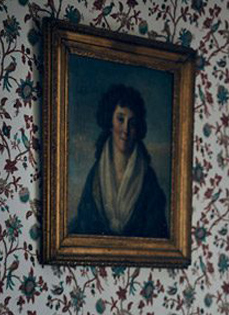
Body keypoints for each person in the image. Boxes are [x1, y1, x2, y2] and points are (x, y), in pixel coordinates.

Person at [70, 83, 169, 238]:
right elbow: (84, 224)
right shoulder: (96, 175)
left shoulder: (148, 178)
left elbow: (157, 233)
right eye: (120, 119)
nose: (126, 130)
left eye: (132, 123)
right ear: (110, 121)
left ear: (138, 128)